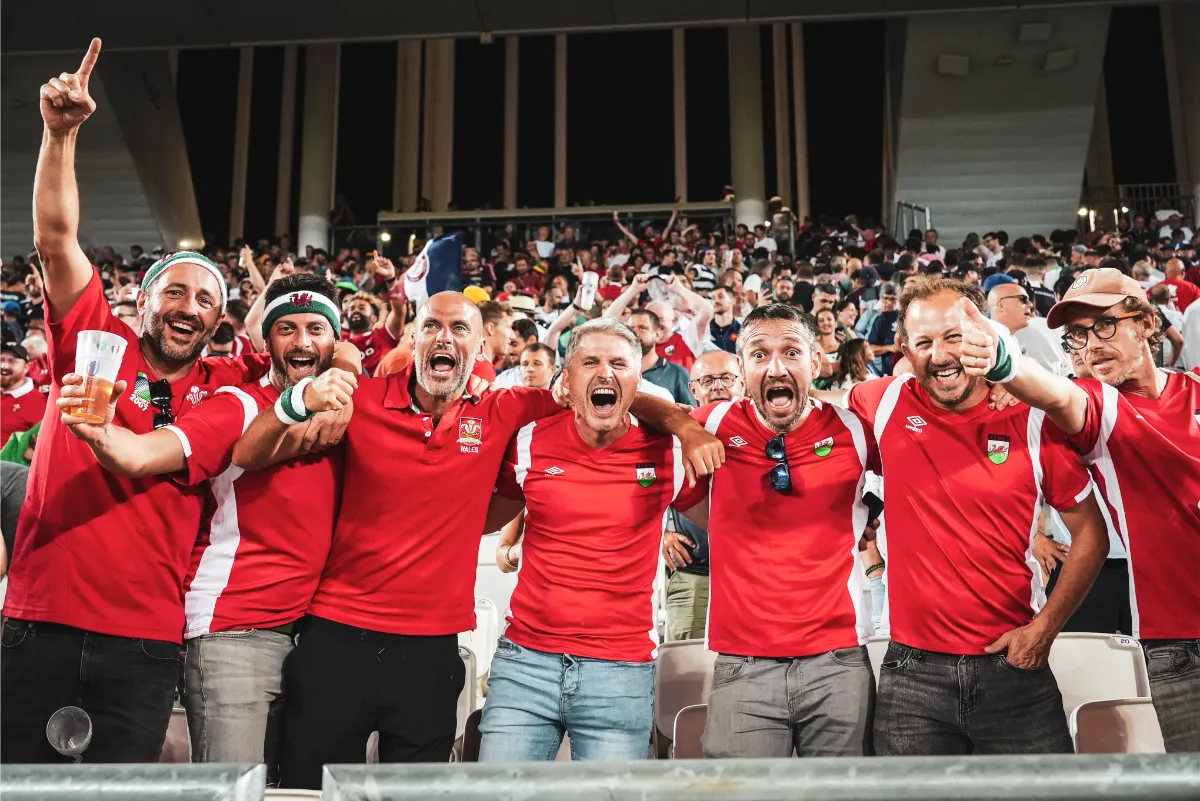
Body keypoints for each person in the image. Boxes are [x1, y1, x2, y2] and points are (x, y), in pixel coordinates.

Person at [233, 291, 721, 789]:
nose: (444, 338)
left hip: (458, 653)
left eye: (460, 328)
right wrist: (325, 381)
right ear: (413, 338)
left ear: (481, 345)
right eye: (431, 327)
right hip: (358, 638)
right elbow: (248, 454)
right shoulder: (371, 401)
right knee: (309, 790)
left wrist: (682, 424)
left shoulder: (521, 414)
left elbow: (611, 392)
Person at [2, 40, 275, 764]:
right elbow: (55, 240)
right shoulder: (95, 335)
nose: (189, 307)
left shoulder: (228, 392)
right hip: (39, 619)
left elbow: (147, 453)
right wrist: (60, 135)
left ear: (218, 322)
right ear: (143, 298)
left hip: (144, 639)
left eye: (207, 300)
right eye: (175, 290)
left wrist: (101, 438)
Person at [51, 272, 355, 764]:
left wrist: (348, 371)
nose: (302, 341)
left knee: (299, 791)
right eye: (286, 329)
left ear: (336, 340)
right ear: (266, 341)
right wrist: (101, 435)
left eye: (316, 329)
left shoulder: (348, 396)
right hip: (232, 632)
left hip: (313, 634)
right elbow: (145, 454)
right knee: (233, 790)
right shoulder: (237, 403)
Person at [843, 277, 1109, 757]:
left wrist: (1044, 630)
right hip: (911, 674)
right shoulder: (881, 402)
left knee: (1048, 795)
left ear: (982, 335)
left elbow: (1091, 534)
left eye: (954, 337)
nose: (940, 355)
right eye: (924, 342)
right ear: (904, 349)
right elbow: (805, 424)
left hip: (1014, 667)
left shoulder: (1032, 416)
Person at [957, 267, 1200, 752]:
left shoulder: (1194, 386)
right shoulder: (1100, 406)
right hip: (1179, 643)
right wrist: (1002, 361)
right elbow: (1054, 392)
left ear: (1146, 323)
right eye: (1077, 335)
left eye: (1105, 325)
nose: (1092, 345)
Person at [478, 320, 707, 762]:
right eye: (590, 362)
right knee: (500, 793)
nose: (605, 372)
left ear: (638, 380)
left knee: (611, 795)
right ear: (567, 379)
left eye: (619, 363)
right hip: (526, 663)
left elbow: (733, 523)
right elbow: (481, 518)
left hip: (620, 671)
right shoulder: (528, 440)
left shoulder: (671, 451)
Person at [685, 305, 880, 759]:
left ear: (816, 362)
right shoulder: (710, 424)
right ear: (741, 369)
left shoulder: (856, 429)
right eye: (759, 354)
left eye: (791, 352)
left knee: (848, 793)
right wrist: (681, 425)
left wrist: (869, 510)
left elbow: (925, 465)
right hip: (743, 663)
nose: (776, 368)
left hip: (839, 661)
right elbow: (641, 413)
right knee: (739, 793)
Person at [662, 351, 744, 642]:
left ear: (743, 382)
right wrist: (660, 533)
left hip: (754, 578)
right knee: (688, 663)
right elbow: (636, 491)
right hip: (694, 576)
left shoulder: (772, 431)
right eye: (707, 380)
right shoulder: (672, 434)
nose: (718, 387)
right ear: (693, 389)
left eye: (726, 378)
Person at [986, 280, 1071, 376]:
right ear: (1000, 305)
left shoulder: (1009, 339)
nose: (1030, 304)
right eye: (1023, 299)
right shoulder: (988, 341)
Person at [628, 308, 694, 405]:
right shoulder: (617, 371)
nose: (635, 333)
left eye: (642, 328)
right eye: (630, 328)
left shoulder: (677, 373)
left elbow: (691, 413)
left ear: (657, 334)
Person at [1, 341, 47, 447]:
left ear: (26, 367)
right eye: (1, 360)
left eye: (12, 361)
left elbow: (42, 445)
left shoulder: (37, 402)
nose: (4, 366)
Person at [865, 283, 901, 375]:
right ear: (881, 297)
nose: (889, 302)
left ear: (899, 299)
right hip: (886, 370)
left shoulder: (906, 317)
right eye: (885, 298)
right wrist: (890, 347)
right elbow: (870, 348)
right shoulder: (880, 320)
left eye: (892, 299)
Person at [708, 286, 741, 354]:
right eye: (713, 298)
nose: (716, 301)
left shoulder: (742, 331)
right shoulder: (704, 330)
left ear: (733, 300)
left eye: (720, 296)